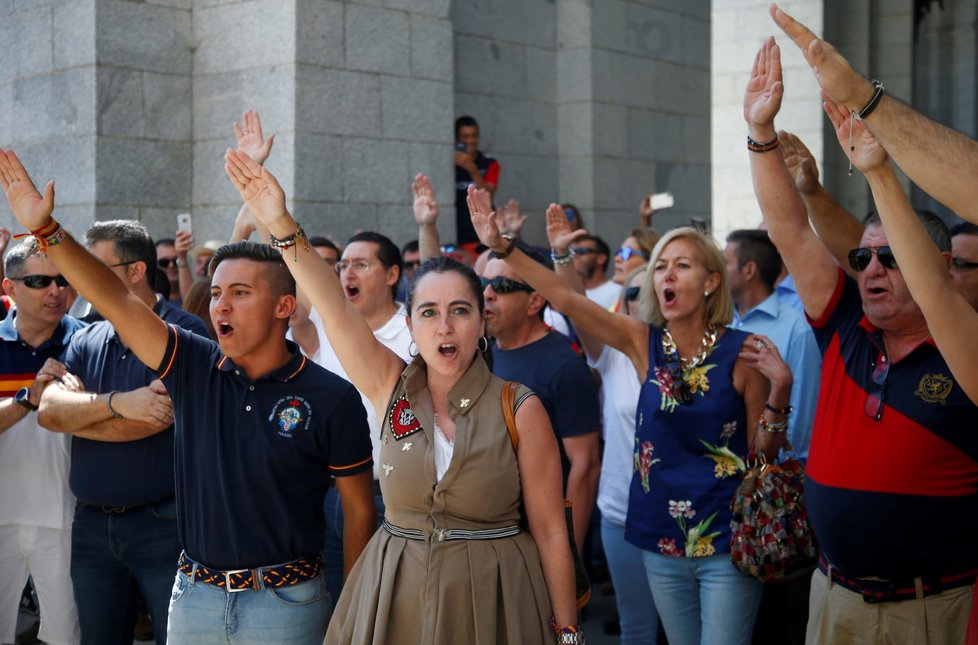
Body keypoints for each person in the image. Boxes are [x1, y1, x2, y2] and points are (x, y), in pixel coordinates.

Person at [0, 149, 376, 645]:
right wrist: (47, 229)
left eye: (240, 292)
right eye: (217, 293)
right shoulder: (194, 364)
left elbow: (359, 512)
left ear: (285, 306)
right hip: (194, 599)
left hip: (287, 605)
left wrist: (353, 610)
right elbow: (113, 298)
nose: (221, 303)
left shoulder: (332, 396)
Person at [222, 149, 581, 644]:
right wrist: (278, 220)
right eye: (429, 313)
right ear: (410, 326)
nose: (445, 325)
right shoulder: (389, 385)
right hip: (395, 596)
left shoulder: (521, 407)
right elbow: (331, 304)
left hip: (498, 601)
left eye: (460, 310)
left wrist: (567, 633)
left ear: (482, 323)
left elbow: (551, 533)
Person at [470, 188, 789, 645]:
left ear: (711, 281)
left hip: (726, 540)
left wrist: (781, 389)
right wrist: (503, 247)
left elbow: (764, 456)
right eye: (660, 266)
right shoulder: (644, 343)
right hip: (657, 535)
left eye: (681, 265)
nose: (666, 275)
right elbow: (566, 297)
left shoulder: (744, 352)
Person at [745, 35, 978, 644]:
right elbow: (789, 230)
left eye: (890, 257)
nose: (869, 269)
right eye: (862, 257)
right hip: (835, 598)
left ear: (932, 268)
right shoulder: (848, 324)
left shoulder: (966, 351)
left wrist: (878, 170)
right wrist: (760, 134)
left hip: (934, 610)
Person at [34, 219, 206, 645]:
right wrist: (117, 403)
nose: (80, 278)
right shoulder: (88, 336)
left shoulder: (185, 334)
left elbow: (154, 419)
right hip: (91, 526)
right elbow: (50, 413)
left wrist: (85, 415)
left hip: (164, 526)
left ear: (135, 271)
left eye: (94, 266)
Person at [544, 206, 659, 645]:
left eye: (642, 294)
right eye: (627, 296)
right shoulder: (611, 354)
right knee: (636, 627)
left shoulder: (691, 356)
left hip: (679, 514)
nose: (633, 303)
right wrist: (561, 256)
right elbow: (575, 304)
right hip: (619, 510)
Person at [309, 230, 413, 604]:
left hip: (389, 498)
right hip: (327, 492)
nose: (347, 273)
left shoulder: (415, 331)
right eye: (343, 265)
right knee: (338, 607)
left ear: (392, 274)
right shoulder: (327, 324)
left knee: (384, 607)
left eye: (361, 264)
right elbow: (298, 271)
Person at [482, 244, 601, 552]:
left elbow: (585, 466)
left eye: (502, 286)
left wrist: (568, 553)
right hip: (492, 533)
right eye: (484, 283)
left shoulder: (564, 366)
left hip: (543, 537)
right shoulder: (481, 352)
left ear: (535, 300)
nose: (488, 294)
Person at [0, 240, 84, 645]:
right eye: (39, 281)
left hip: (68, 521)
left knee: (66, 638)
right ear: (10, 287)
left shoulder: (88, 343)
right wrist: (28, 399)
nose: (55, 290)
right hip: (1, 517)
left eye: (62, 280)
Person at [724, 229, 820, 461]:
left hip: (770, 478)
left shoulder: (797, 329)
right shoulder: (721, 321)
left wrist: (773, 474)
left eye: (724, 262)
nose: (715, 271)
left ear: (749, 270)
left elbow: (801, 415)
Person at [454, 115, 500, 254]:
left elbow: (488, 196)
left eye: (474, 136)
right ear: (457, 139)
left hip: (481, 234)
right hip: (457, 232)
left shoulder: (489, 163)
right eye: (465, 137)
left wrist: (472, 169)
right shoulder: (450, 163)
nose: (471, 140)